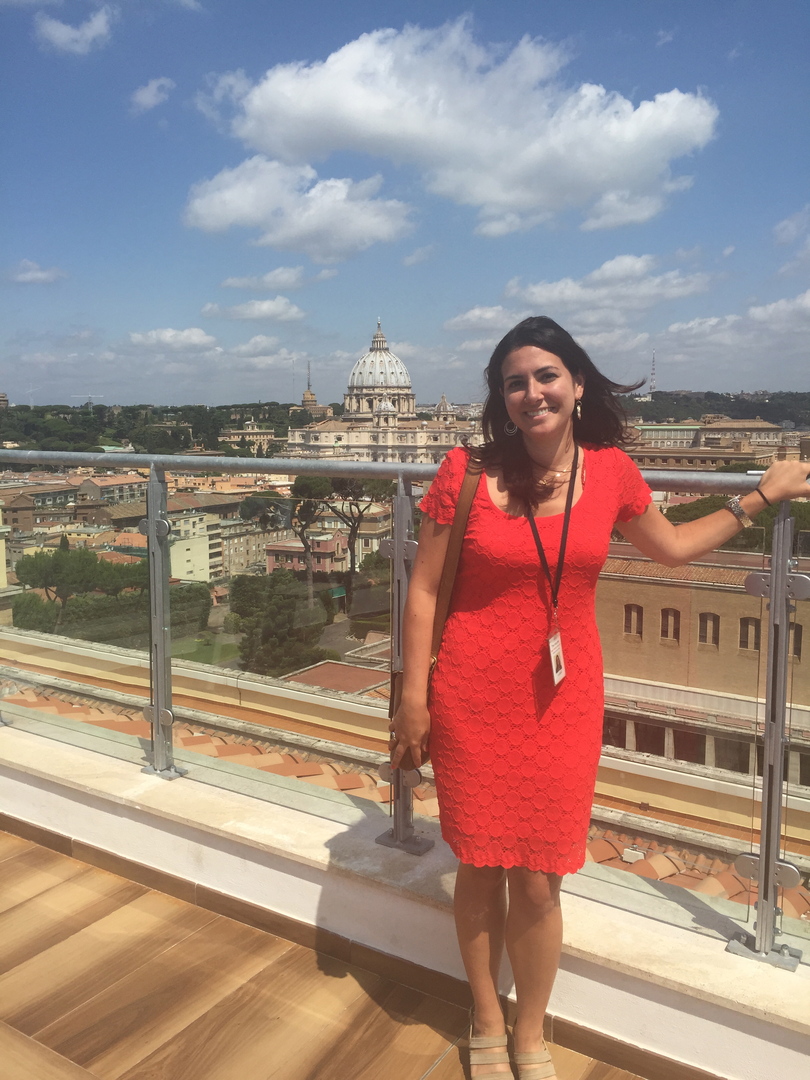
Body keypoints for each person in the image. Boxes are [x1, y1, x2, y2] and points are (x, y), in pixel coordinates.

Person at [390, 316, 810, 1080]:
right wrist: (413, 698)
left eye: (546, 376)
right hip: (471, 696)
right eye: (514, 382)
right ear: (501, 398)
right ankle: (486, 1016)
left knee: (539, 877)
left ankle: (530, 1031)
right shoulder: (467, 471)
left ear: (578, 384)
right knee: (480, 865)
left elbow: (672, 548)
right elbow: (422, 591)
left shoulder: (611, 471)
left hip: (564, 699)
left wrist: (758, 496)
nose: (532, 393)